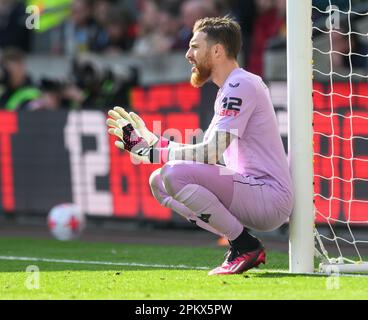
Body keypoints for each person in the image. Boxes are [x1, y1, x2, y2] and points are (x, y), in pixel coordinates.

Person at [107, 16, 293, 275]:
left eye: (195, 46)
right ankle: (239, 239)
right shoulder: (231, 87)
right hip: (249, 191)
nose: (188, 54)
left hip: (268, 196)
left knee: (173, 173)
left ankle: (244, 246)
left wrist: (152, 151)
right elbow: (208, 152)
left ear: (217, 50)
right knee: (159, 182)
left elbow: (210, 152)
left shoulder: (240, 85)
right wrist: (154, 141)